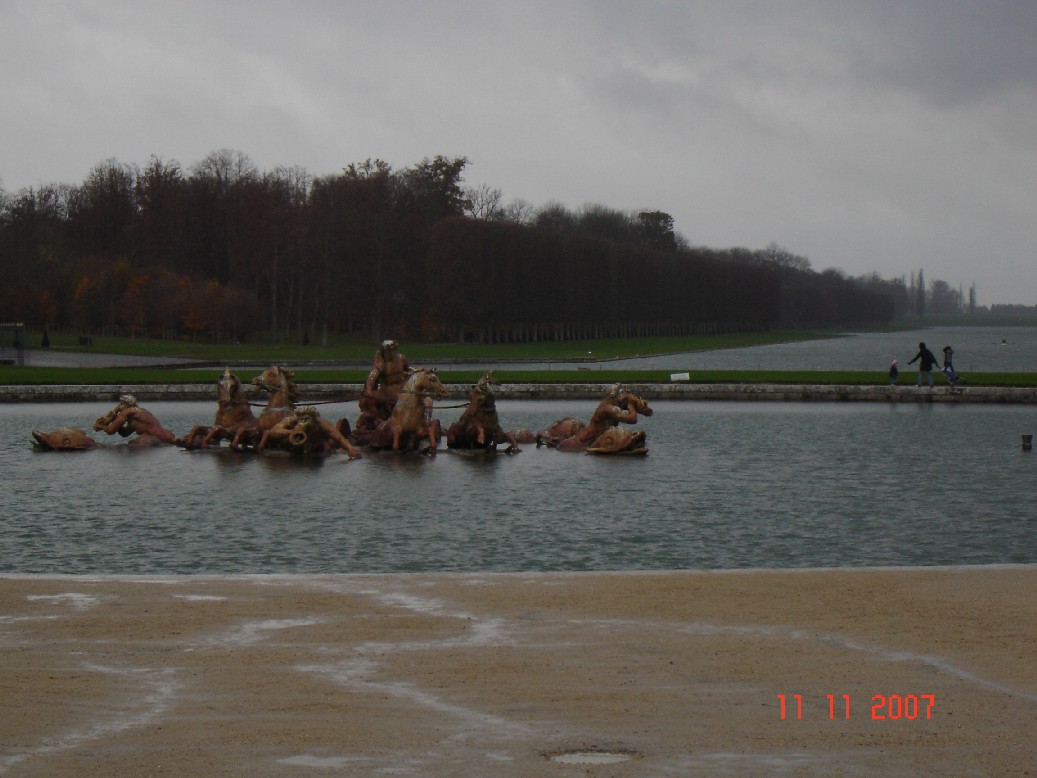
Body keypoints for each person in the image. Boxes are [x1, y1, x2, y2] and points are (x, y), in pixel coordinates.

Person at [359, 339, 411, 420]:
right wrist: (369, 390)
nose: (389, 353)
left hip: (401, 388)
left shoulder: (401, 359)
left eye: (391, 351)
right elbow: (372, 376)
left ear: (394, 350)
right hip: (385, 390)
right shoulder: (381, 363)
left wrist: (409, 373)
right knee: (369, 400)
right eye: (386, 351)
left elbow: (408, 370)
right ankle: (376, 419)